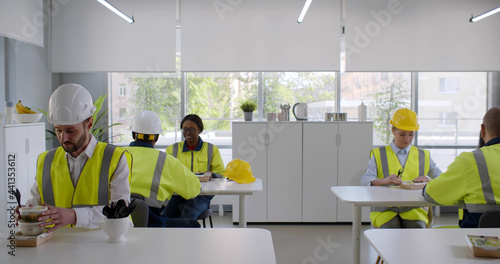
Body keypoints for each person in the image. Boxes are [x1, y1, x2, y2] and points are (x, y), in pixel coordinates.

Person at [22, 83, 131, 232]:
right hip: (56, 246)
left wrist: (74, 216)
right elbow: (35, 204)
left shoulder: (115, 158)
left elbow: (120, 212)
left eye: (71, 131)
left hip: (103, 244)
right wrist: (28, 214)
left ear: (89, 124)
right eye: (58, 130)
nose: (63, 137)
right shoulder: (46, 161)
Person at [360, 108, 442, 228]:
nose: (407, 139)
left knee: (417, 230)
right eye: (402, 134)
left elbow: (442, 178)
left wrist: (429, 181)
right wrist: (384, 181)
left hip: (414, 209)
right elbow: (365, 180)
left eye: (411, 134)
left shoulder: (423, 155)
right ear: (393, 130)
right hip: (384, 210)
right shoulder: (379, 154)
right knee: (390, 230)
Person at [423, 106, 500, 228]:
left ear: (482, 130)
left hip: (478, 238)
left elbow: (431, 194)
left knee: (434, 233)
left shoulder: (471, 160)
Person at [125, 111, 201, 227]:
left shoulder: (116, 155)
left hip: (115, 223)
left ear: (133, 134)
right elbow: (193, 190)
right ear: (157, 137)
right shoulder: (166, 160)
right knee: (193, 224)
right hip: (152, 224)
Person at [165, 114, 225, 220]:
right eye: (185, 129)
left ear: (200, 130)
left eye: (191, 129)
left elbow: (221, 174)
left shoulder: (211, 149)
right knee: (164, 217)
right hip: (178, 195)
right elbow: (165, 173)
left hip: (201, 196)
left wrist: (212, 174)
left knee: (187, 218)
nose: (187, 133)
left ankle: (191, 236)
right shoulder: (172, 149)